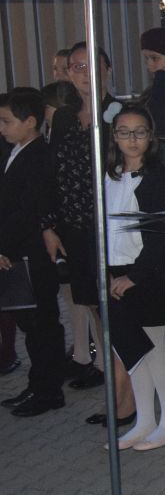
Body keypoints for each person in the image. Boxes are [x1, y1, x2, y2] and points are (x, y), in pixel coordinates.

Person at [103, 105, 165, 450]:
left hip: (147, 274)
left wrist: (133, 277)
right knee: (132, 353)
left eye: (139, 132)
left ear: (150, 137)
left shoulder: (156, 178)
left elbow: (158, 238)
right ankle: (145, 421)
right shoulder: (109, 176)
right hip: (117, 271)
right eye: (124, 132)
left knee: (153, 351)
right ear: (114, 137)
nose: (132, 139)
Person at [43, 43, 121, 404]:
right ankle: (104, 368)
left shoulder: (120, 114)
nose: (83, 72)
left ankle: (123, 381)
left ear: (107, 68)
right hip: (73, 224)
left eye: (90, 65)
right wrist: (49, 225)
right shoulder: (63, 117)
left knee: (113, 305)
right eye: (76, 67)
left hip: (109, 225)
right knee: (89, 301)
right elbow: (52, 173)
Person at [0, 88, 66, 416]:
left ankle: (49, 390)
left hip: (32, 254)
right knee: (31, 324)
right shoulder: (15, 149)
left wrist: (5, 248)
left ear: (30, 121)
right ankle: (36, 383)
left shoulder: (40, 156)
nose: (1, 128)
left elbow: (27, 212)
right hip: (18, 251)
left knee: (42, 324)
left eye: (6, 121)